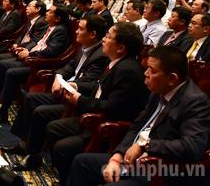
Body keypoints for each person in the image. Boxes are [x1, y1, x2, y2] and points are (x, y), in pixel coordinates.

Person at [67, 47, 210, 186]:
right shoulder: (159, 89)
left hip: (160, 170)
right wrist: (118, 156)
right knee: (82, 162)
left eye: (152, 70)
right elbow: (137, 126)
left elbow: (192, 147)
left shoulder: (195, 102)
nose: (145, 73)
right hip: (133, 159)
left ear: (172, 78)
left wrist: (145, 145)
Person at [47, 22, 150, 184]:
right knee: (53, 127)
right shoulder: (116, 62)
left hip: (105, 126)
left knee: (63, 147)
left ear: (120, 48)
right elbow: (100, 87)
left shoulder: (127, 70)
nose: (103, 39)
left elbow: (112, 107)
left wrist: (79, 100)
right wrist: (76, 86)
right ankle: (64, 176)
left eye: (108, 36)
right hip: (95, 116)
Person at [5, 15, 109, 170]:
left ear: (92, 34)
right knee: (30, 98)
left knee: (40, 112)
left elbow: (89, 82)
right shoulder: (84, 46)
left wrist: (67, 85)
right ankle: (24, 144)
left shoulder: (101, 55)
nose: (76, 31)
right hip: (63, 91)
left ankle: (33, 156)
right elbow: (69, 66)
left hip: (74, 99)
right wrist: (58, 77)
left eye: (80, 29)